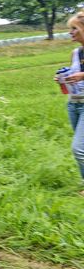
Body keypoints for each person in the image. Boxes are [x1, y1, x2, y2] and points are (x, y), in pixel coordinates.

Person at [55, 11, 84, 196]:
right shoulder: (75, 53)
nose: (70, 32)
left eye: (74, 28)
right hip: (73, 104)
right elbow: (74, 75)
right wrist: (63, 78)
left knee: (79, 149)